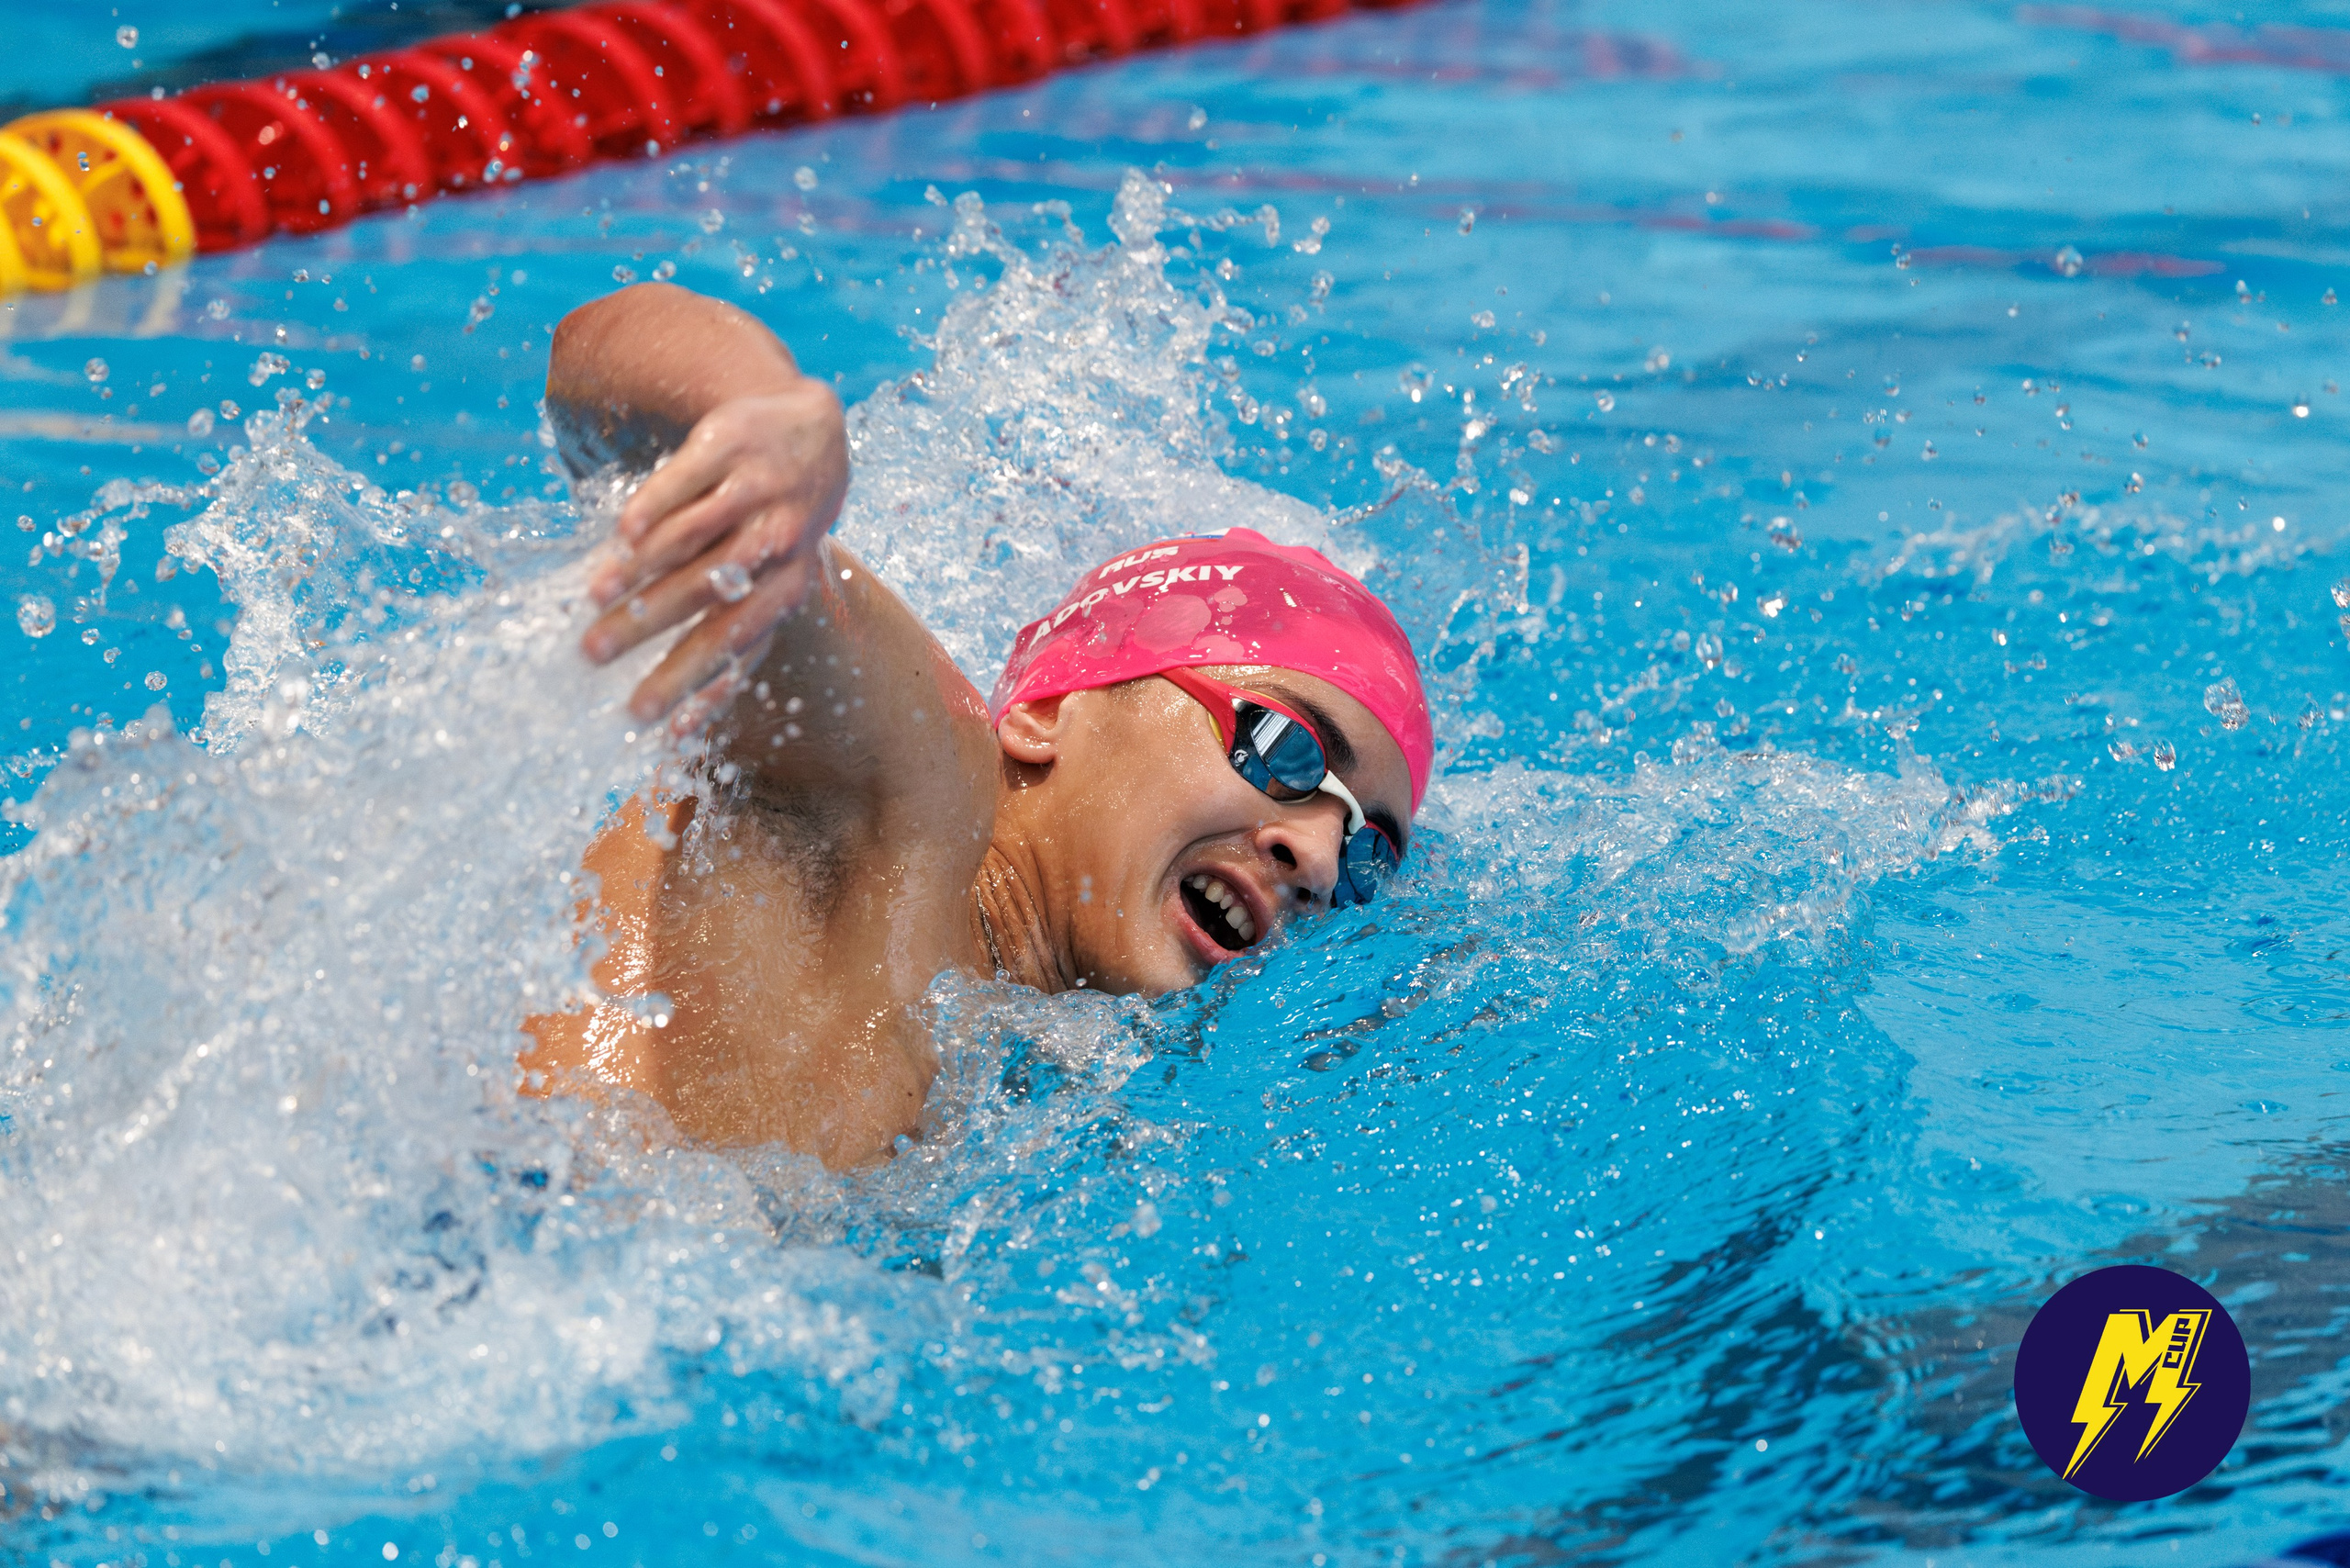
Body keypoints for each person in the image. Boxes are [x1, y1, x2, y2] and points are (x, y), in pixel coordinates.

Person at [520, 284, 1432, 1169]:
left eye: (1364, 853)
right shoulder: (914, 787)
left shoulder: (1059, 1069)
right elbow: (595, 358)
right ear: (1042, 715)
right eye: (1283, 746)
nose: (1318, 858)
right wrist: (761, 420)